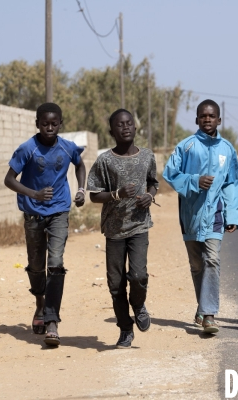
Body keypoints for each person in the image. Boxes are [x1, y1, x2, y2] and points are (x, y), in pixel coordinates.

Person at [4, 102, 86, 346]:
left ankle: (52, 320)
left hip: (59, 210)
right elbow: (9, 180)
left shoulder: (67, 146)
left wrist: (81, 189)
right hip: (33, 214)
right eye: (44, 123)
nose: (49, 128)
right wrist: (34, 194)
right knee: (36, 265)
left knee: (56, 263)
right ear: (37, 123)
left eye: (54, 123)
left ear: (60, 124)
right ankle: (40, 304)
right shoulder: (27, 149)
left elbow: (80, 164)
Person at [163, 99, 238, 334]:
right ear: (197, 119)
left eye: (212, 116)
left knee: (212, 260)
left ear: (219, 120)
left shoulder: (227, 149)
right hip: (190, 214)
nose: (207, 119)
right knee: (196, 265)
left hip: (216, 214)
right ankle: (202, 306)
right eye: (203, 116)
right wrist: (194, 181)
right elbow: (169, 173)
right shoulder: (186, 146)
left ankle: (209, 315)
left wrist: (232, 215)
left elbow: (233, 182)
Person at [87, 109, 158, 349]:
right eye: (119, 124)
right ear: (112, 131)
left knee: (138, 276)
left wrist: (149, 196)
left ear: (135, 127)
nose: (125, 127)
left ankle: (138, 305)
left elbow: (153, 182)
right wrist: (117, 194)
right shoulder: (105, 160)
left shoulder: (147, 156)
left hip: (139, 226)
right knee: (115, 284)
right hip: (114, 230)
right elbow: (94, 196)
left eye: (129, 123)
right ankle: (125, 329)